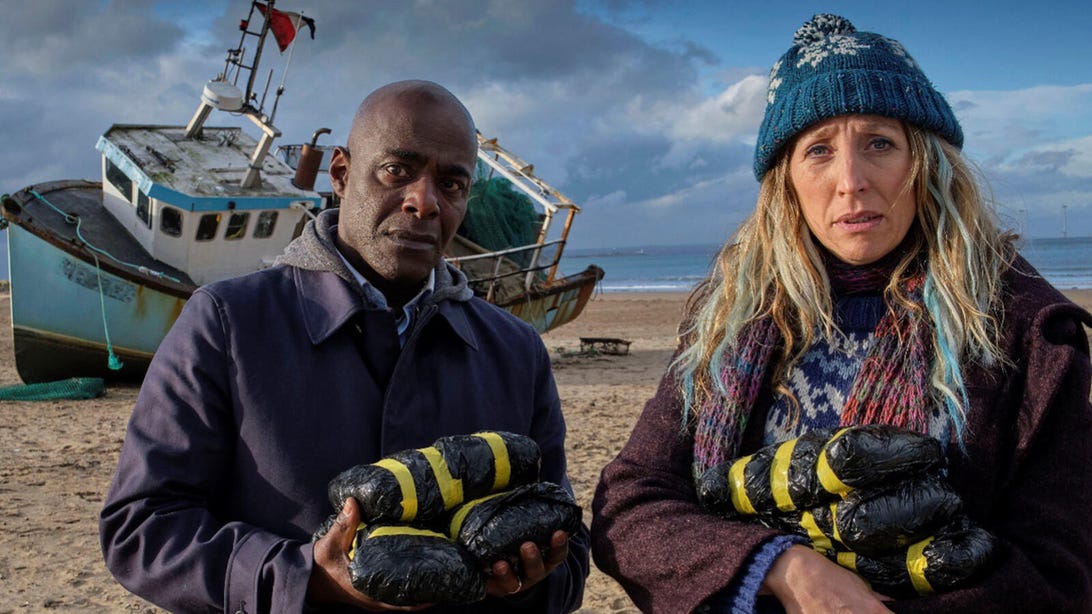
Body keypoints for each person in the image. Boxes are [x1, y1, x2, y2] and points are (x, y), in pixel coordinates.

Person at [591, 14, 1092, 614]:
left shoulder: (1022, 326)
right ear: (787, 180)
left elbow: (1061, 572)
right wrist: (779, 567)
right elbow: (630, 501)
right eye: (819, 151)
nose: (850, 181)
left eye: (879, 143)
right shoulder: (727, 318)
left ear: (926, 163)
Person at [100, 80, 589, 613]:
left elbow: (567, 538)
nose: (423, 202)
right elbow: (141, 527)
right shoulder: (227, 323)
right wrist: (302, 579)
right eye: (397, 170)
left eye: (450, 184)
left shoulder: (515, 351)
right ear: (340, 174)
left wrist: (528, 579)